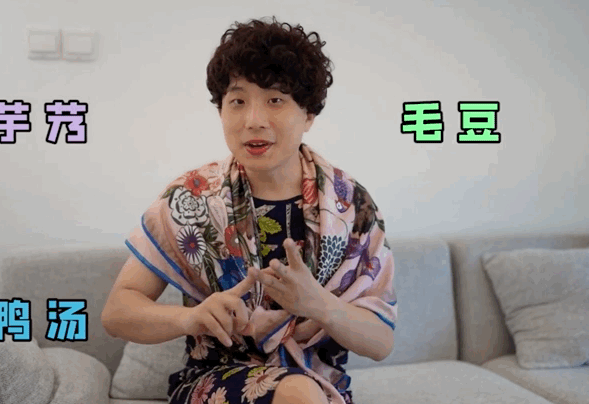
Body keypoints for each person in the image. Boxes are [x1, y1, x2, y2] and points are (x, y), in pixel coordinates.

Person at [101, 16, 397, 404]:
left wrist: (320, 306)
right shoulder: (192, 197)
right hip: (215, 384)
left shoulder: (352, 205)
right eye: (238, 101)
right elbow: (117, 313)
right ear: (221, 110)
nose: (253, 121)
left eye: (275, 100)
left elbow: (381, 342)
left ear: (308, 114)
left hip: (322, 387)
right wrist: (191, 318)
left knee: (304, 391)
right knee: (298, 393)